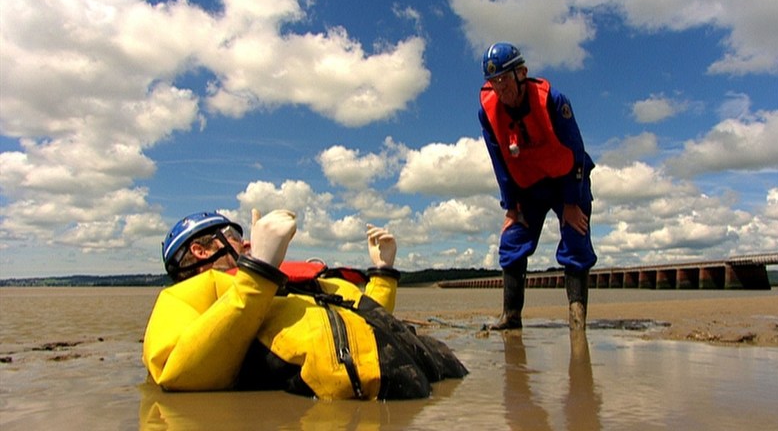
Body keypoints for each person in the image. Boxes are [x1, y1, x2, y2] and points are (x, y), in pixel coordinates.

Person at [142, 209, 467, 400]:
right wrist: (258, 273)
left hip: (428, 372)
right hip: (361, 394)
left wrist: (382, 274)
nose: (247, 241)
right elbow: (176, 372)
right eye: (232, 235)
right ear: (200, 250)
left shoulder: (283, 282)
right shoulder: (188, 296)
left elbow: (365, 323)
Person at [478, 42, 597, 331]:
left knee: (576, 238)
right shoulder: (488, 112)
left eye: (504, 78)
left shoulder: (553, 100)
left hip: (567, 180)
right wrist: (511, 206)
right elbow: (499, 162)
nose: (500, 88)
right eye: (494, 81)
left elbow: (576, 151)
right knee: (511, 241)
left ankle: (577, 320)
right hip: (529, 186)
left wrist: (572, 202)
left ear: (522, 73)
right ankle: (511, 316)